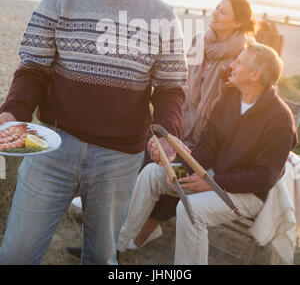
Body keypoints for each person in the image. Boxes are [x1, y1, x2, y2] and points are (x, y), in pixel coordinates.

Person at [0, 0, 187, 265]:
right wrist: (11, 113)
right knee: (16, 254)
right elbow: (33, 68)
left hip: (119, 159)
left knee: (101, 259)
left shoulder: (163, 16)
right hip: (50, 146)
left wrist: (166, 133)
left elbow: (171, 89)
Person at [117, 42, 298, 264]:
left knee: (190, 208)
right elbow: (208, 147)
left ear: (254, 74)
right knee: (152, 173)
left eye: (239, 62)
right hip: (211, 176)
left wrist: (213, 182)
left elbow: (264, 178)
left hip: (246, 194)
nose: (232, 65)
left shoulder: (279, 119)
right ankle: (116, 247)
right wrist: (182, 171)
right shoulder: (230, 100)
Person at [129, 0, 257, 249]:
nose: (215, 14)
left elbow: (244, 102)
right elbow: (182, 80)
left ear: (238, 22)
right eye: (216, 9)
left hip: (212, 137)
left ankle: (151, 223)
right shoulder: (200, 42)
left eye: (223, 13)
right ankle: (125, 218)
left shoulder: (245, 55)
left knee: (175, 169)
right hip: (182, 123)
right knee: (148, 149)